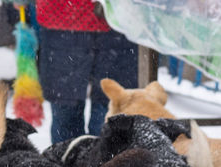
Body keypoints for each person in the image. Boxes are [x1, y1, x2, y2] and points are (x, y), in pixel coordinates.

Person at [27, 0, 138, 143]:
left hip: (73, 19)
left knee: (109, 109)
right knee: (108, 110)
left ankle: (75, 160)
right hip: (107, 19)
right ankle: (96, 160)